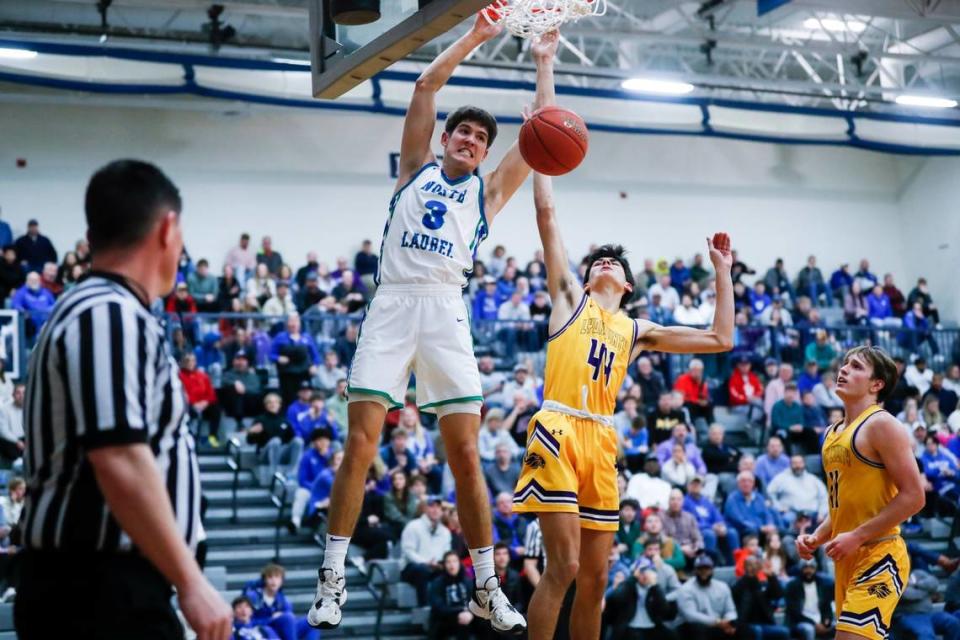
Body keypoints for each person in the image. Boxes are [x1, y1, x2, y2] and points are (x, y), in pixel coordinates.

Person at [309, 20, 560, 635]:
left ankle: (486, 586)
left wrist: (543, 61)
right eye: (466, 131)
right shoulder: (414, 172)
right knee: (361, 445)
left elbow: (543, 139)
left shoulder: (488, 192)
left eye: (481, 136)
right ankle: (332, 574)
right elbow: (424, 86)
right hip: (393, 306)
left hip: (447, 310)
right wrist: (477, 33)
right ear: (446, 139)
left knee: (467, 456)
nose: (474, 140)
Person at [514, 168, 734, 640]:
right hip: (557, 426)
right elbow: (547, 215)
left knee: (595, 579)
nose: (605, 262)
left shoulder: (636, 330)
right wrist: (538, 152)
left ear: (629, 287)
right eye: (598, 261)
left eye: (614, 262)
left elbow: (721, 338)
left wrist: (721, 272)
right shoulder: (570, 298)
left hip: (601, 438)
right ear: (588, 278)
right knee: (565, 566)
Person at [15, 160, 231, 640]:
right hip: (98, 590)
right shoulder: (107, 312)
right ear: (168, 228)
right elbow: (119, 456)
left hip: (101, 586)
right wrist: (191, 581)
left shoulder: (102, 308)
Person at [797, 346, 926, 640]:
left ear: (876, 384)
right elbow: (845, 504)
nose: (843, 370)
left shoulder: (882, 424)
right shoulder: (831, 433)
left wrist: (856, 536)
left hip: (880, 552)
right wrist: (818, 536)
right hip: (847, 558)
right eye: (844, 364)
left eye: (855, 367)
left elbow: (915, 497)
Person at [603, 556, 677, 640]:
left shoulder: (654, 589)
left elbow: (664, 609)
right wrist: (633, 578)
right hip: (630, 628)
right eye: (642, 572)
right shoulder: (629, 586)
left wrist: (655, 586)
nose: (645, 575)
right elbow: (616, 598)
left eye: (648, 571)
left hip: (652, 627)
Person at [401, 496, 453, 606]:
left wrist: (441, 563)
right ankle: (423, 606)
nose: (435, 510)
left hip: (435, 566)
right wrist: (425, 562)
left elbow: (446, 552)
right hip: (412, 567)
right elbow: (408, 551)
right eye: (431, 506)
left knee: (452, 569)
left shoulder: (445, 532)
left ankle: (451, 607)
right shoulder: (413, 526)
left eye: (438, 507)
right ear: (425, 509)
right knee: (422, 570)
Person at [246, 392, 304, 486]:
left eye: (275, 402)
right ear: (266, 405)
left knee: (298, 441)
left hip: (281, 452)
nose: (273, 404)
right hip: (264, 454)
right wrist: (252, 432)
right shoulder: (260, 420)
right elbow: (250, 441)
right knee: (275, 441)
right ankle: (274, 474)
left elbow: (292, 440)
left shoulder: (284, 420)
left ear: (279, 405)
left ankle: (292, 473)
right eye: (269, 402)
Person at [677, 554, 739, 640]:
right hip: (695, 626)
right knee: (697, 628)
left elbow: (731, 610)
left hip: (720, 624)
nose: (704, 572)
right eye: (700, 569)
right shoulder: (686, 589)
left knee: (743, 629)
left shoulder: (722, 587)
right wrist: (716, 622)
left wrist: (728, 621)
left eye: (707, 569)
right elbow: (690, 615)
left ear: (712, 570)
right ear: (695, 571)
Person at [731, 556, 788, 640]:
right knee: (757, 631)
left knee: (784, 632)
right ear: (744, 567)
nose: (753, 567)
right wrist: (749, 576)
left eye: (755, 564)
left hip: (764, 623)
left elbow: (778, 595)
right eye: (750, 565)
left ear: (759, 567)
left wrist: (771, 577)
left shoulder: (762, 584)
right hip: (745, 625)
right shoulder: (739, 585)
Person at [428, 550, 478, 640]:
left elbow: (476, 602)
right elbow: (439, 606)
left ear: (459, 563)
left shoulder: (468, 581)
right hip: (445, 619)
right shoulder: (437, 583)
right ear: (444, 565)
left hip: (467, 617)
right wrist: (460, 612)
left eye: (454, 561)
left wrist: (470, 614)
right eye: (448, 562)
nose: (452, 565)